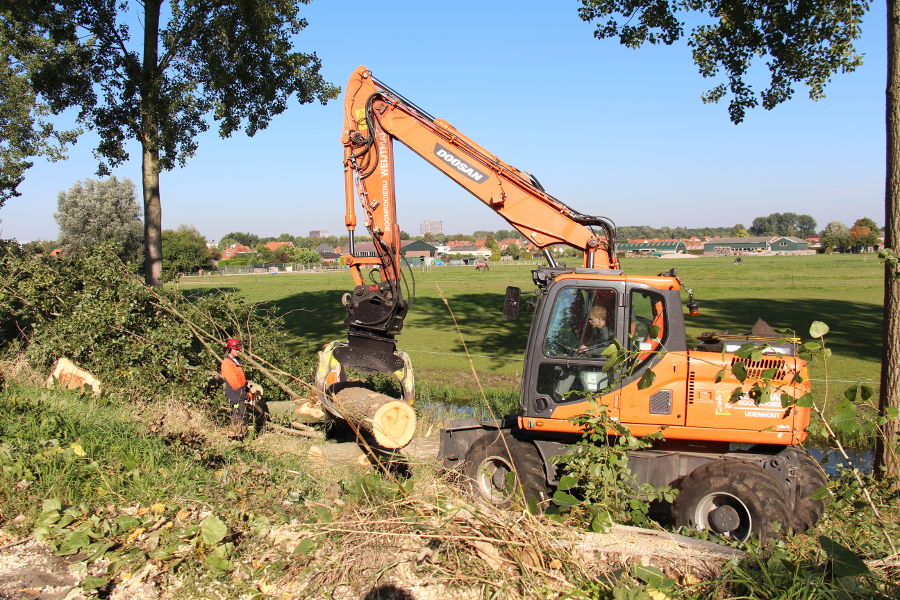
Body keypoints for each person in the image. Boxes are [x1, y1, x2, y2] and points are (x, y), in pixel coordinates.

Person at [221, 338, 249, 438]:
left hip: (241, 393)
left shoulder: (236, 361)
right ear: (230, 349)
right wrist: (243, 394)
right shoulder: (227, 363)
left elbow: (241, 378)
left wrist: (247, 389)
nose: (238, 351)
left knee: (242, 415)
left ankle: (240, 436)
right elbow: (233, 382)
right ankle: (238, 437)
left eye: (239, 350)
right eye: (236, 350)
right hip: (235, 395)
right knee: (240, 416)